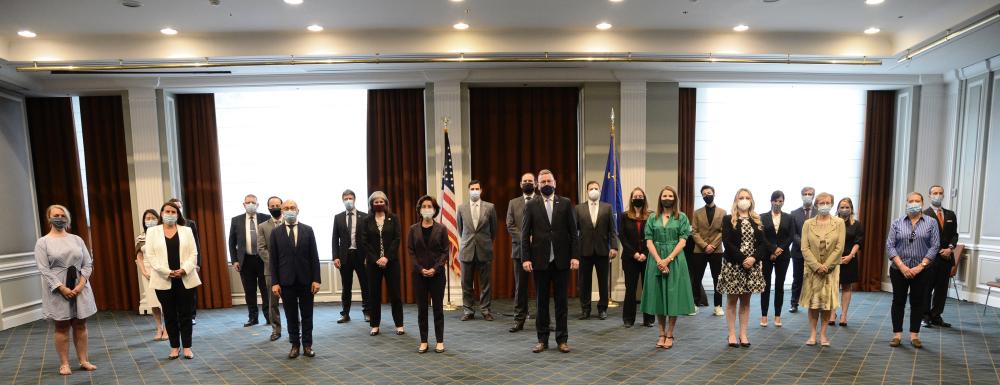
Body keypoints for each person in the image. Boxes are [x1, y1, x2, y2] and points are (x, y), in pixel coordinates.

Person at [521, 169, 580, 353]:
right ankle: (542, 339)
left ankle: (562, 340)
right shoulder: (531, 205)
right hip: (539, 261)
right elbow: (524, 235)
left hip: (561, 261)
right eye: (543, 181)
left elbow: (574, 233)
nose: (546, 184)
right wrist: (526, 258)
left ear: (555, 183)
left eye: (549, 181)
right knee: (541, 303)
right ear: (538, 185)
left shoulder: (565, 203)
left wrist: (575, 256)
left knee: (562, 302)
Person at [35, 205, 98, 375]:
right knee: (62, 325)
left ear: (67, 218)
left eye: (63, 215)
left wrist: (80, 285)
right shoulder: (43, 242)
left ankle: (83, 360)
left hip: (80, 285)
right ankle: (64, 363)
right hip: (57, 288)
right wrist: (61, 288)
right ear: (49, 218)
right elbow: (44, 269)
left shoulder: (77, 239)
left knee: (80, 323)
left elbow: (87, 263)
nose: (60, 218)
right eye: (56, 215)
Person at [641, 186, 695, 349]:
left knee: (673, 296)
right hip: (655, 259)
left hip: (675, 260)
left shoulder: (682, 217)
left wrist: (668, 260)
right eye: (664, 195)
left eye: (670, 195)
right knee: (658, 297)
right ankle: (661, 333)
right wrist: (659, 260)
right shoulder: (652, 217)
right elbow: (648, 240)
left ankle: (670, 333)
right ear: (660, 198)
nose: (667, 198)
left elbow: (683, 241)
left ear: (675, 199)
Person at [146, 202, 201, 360]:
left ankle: (188, 347)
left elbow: (193, 253)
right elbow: (151, 256)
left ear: (178, 215)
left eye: (173, 211)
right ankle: (174, 347)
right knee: (169, 315)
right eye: (167, 211)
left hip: (185, 277)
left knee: (186, 314)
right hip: (163, 279)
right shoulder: (153, 232)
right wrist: (168, 271)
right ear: (162, 214)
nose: (170, 214)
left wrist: (184, 269)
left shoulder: (187, 230)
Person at [268, 200, 321, 359]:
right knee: (291, 316)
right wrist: (275, 282)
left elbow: (314, 257)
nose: (289, 210)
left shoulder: (308, 230)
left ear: (298, 210)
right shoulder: (275, 233)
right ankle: (294, 345)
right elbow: (273, 260)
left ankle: (307, 345)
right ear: (282, 211)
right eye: (286, 208)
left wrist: (316, 279)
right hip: (286, 282)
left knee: (307, 315)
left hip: (306, 281)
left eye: (292, 208)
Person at [886, 192, 939, 348]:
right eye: (911, 201)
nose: (914, 203)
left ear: (922, 203)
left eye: (917, 201)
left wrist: (920, 266)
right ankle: (897, 335)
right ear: (906, 203)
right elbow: (890, 245)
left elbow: (935, 246)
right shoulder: (897, 222)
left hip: (921, 270)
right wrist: (902, 266)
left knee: (917, 302)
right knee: (898, 301)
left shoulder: (931, 222)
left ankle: (914, 336)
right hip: (898, 269)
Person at [718, 188, 767, 347]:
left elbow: (762, 244)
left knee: (746, 302)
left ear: (751, 200)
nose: (744, 200)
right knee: (732, 300)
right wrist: (743, 259)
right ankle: (731, 334)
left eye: (747, 197)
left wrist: (753, 258)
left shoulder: (757, 220)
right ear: (736, 200)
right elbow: (727, 243)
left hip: (752, 266)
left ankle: (743, 334)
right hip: (733, 265)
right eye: (741, 197)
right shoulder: (727, 219)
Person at [799, 192, 845, 347]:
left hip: (831, 270)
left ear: (831, 204)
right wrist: (817, 266)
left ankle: (823, 334)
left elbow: (839, 247)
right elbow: (804, 248)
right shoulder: (808, 223)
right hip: (812, 270)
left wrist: (827, 265)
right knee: (813, 303)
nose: (824, 205)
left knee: (826, 303)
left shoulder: (839, 223)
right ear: (816, 204)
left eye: (827, 202)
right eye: (821, 202)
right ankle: (812, 334)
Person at [407, 196, 450, 353]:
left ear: (434, 209)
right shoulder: (413, 229)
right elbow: (411, 252)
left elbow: (445, 252)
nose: (426, 208)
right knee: (422, 309)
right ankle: (424, 341)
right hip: (419, 275)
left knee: (438, 308)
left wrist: (435, 268)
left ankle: (440, 341)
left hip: (437, 275)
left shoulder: (442, 229)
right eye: (423, 206)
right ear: (419, 209)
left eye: (429, 206)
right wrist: (420, 269)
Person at [362, 191, 405, 336]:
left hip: (391, 262)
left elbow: (397, 239)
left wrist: (386, 257)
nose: (379, 204)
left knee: (395, 294)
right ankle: (374, 325)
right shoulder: (366, 220)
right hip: (373, 264)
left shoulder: (393, 218)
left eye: (382, 201)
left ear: (386, 203)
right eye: (376, 202)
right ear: (372, 204)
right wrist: (376, 259)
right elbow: (365, 242)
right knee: (374, 295)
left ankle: (399, 324)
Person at [574, 181, 619, 320]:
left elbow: (612, 230)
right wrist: (574, 252)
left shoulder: (607, 207)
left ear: (599, 190)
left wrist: (614, 247)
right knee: (584, 282)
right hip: (584, 251)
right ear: (587, 191)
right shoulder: (578, 208)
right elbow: (574, 231)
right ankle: (585, 309)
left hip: (602, 251)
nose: (593, 190)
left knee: (603, 281)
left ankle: (602, 309)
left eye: (596, 188)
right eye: (591, 188)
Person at [457, 179, 498, 321]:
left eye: (477, 188)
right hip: (467, 249)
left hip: (484, 249)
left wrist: (485, 242)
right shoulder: (461, 208)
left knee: (485, 283)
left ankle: (485, 310)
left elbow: (494, 230)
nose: (474, 191)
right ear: (468, 191)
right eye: (472, 189)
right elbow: (460, 230)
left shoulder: (490, 207)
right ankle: (468, 311)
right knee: (466, 283)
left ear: (481, 190)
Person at [228, 194, 271, 327]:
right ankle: (253, 317)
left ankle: (269, 316)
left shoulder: (266, 218)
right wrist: (234, 260)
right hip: (245, 260)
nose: (250, 204)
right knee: (249, 290)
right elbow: (231, 242)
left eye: (253, 202)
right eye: (248, 202)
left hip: (263, 260)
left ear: (257, 204)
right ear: (244, 204)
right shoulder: (236, 220)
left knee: (265, 289)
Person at [923, 185, 959, 328]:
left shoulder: (950, 214)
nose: (938, 195)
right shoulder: (924, 215)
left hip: (947, 259)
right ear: (929, 195)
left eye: (940, 193)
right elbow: (923, 238)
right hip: (931, 258)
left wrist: (950, 248)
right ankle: (925, 317)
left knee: (941, 290)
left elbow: (954, 235)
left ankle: (936, 316)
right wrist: (939, 251)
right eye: (935, 193)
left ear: (943, 195)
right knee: (926, 289)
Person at [332, 189, 370, 324]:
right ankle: (345, 314)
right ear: (343, 200)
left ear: (354, 199)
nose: (348, 200)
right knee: (346, 286)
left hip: (361, 256)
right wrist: (335, 257)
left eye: (350, 198)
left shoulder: (365, 216)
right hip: (345, 257)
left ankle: (367, 312)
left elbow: (369, 239)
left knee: (365, 285)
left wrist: (369, 256)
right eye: (346, 198)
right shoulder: (338, 217)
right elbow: (335, 238)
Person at [620, 187, 655, 328]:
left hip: (648, 257)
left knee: (648, 288)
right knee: (630, 289)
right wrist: (634, 253)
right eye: (636, 196)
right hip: (630, 258)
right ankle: (629, 318)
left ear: (644, 198)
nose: (638, 198)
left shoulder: (651, 216)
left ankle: (649, 319)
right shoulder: (624, 216)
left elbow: (653, 236)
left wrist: (645, 254)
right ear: (631, 198)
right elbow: (622, 237)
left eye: (640, 196)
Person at [506, 172, 536, 332]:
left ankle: (544, 319)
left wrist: (536, 238)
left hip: (540, 251)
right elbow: (510, 225)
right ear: (520, 184)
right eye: (525, 181)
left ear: (535, 184)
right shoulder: (513, 203)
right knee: (520, 287)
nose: (527, 183)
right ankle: (519, 319)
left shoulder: (541, 201)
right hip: (519, 251)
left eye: (530, 181)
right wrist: (526, 239)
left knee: (541, 287)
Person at [691, 185, 726, 316]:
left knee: (717, 278)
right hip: (699, 250)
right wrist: (705, 246)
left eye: (709, 193)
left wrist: (713, 245)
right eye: (704, 194)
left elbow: (723, 231)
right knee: (697, 278)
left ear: (714, 193)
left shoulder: (722, 212)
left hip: (716, 251)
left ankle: (718, 306)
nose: (707, 195)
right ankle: (694, 304)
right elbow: (694, 232)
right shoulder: (697, 213)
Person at [760, 191, 793, 328]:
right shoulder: (762, 217)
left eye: (780, 201)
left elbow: (791, 236)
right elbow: (761, 236)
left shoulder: (789, 217)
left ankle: (778, 315)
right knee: (765, 286)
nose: (778, 203)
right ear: (771, 201)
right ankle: (764, 315)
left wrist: (779, 249)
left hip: (783, 255)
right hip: (766, 255)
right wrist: (772, 249)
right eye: (776, 201)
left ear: (783, 202)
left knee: (779, 286)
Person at [830, 197, 863, 327]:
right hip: (833, 259)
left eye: (847, 207)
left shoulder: (857, 224)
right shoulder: (832, 223)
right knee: (833, 287)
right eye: (842, 207)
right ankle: (832, 313)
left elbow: (858, 242)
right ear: (837, 209)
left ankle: (843, 314)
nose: (844, 209)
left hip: (850, 258)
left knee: (846, 286)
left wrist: (851, 255)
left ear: (851, 209)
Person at [166, 198, 200, 324]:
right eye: (174, 207)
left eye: (179, 207)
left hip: (189, 263)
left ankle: (191, 316)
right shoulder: (162, 227)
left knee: (190, 289)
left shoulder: (189, 224)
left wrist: (197, 263)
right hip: (171, 266)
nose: (177, 209)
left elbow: (196, 245)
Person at [256, 196, 284, 341]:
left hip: (289, 271)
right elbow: (261, 248)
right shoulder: (262, 226)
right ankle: (276, 330)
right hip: (270, 271)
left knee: (291, 301)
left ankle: (295, 328)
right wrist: (274, 263)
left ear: (282, 205)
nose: (275, 208)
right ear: (268, 208)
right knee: (272, 303)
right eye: (272, 206)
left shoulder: (290, 222)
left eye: (277, 205)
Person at [135, 209, 166, 341]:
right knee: (153, 302)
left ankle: (168, 328)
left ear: (158, 219)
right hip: (147, 271)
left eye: (152, 218)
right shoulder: (141, 237)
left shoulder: (163, 234)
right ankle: (159, 328)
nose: (150, 220)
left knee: (165, 301)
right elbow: (139, 257)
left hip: (162, 270)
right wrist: (143, 271)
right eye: (147, 218)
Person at [789, 187, 816, 313]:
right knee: (797, 278)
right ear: (801, 196)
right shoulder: (794, 213)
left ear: (813, 196)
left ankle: (813, 302)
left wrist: (812, 246)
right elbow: (793, 234)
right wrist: (804, 245)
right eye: (805, 194)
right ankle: (794, 303)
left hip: (815, 253)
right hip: (798, 252)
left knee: (813, 279)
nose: (807, 196)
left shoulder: (819, 212)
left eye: (810, 194)